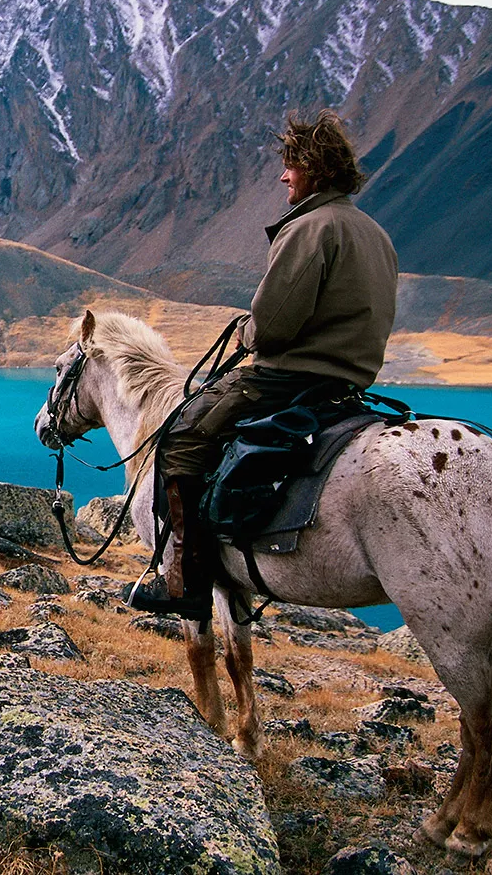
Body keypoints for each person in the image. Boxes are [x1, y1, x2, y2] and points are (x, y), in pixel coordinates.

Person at [131, 109, 399, 619]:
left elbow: (273, 326)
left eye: (291, 165)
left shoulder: (310, 229)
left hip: (287, 379)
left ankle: (185, 581)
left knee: (181, 440)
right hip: (346, 385)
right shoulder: (375, 234)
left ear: (315, 169)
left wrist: (247, 331)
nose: (283, 176)